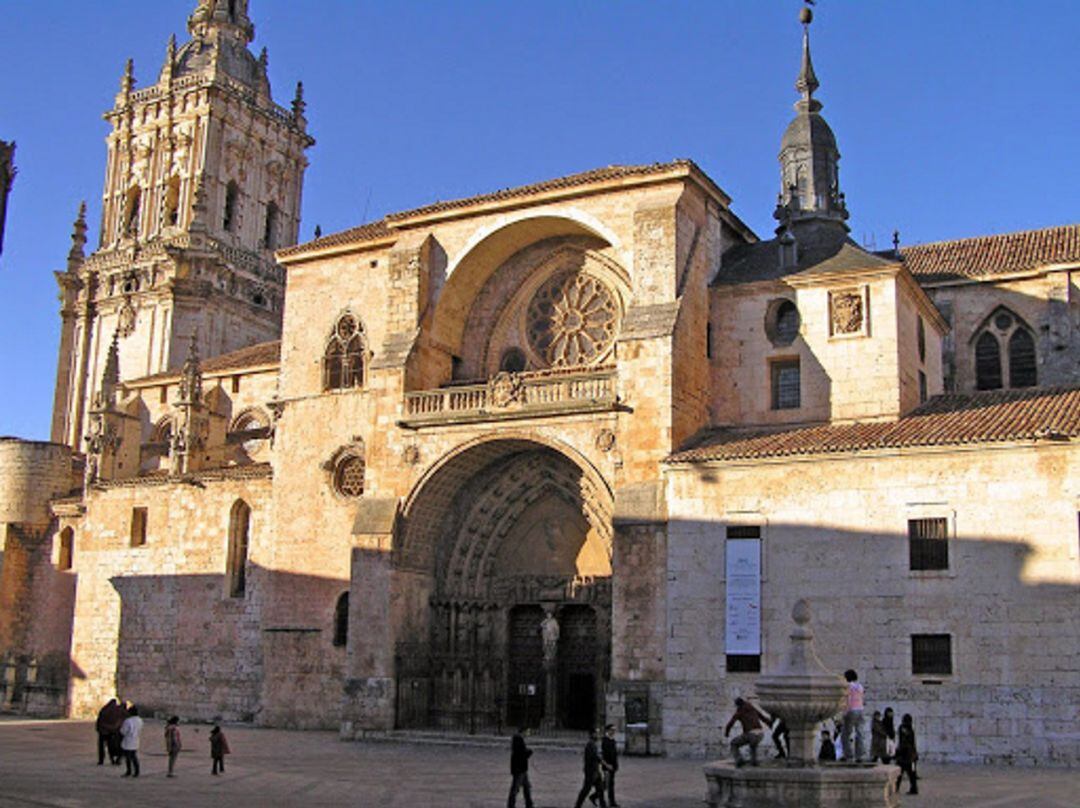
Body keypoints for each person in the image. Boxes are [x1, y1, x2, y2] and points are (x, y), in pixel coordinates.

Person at [723, 698, 765, 767]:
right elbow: (762, 717)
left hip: (751, 734)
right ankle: (754, 762)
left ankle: (739, 760)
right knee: (753, 746)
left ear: (738, 705)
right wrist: (771, 724)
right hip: (760, 734)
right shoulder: (752, 707)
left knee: (734, 743)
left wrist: (727, 733)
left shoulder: (739, 711)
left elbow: (730, 724)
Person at [572, 729, 609, 808]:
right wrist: (604, 763)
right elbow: (596, 757)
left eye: (598, 733)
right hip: (591, 771)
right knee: (586, 789)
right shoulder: (590, 744)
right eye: (596, 733)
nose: (598, 735)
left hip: (596, 771)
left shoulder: (593, 744)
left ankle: (603, 805)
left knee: (600, 789)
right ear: (592, 734)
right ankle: (578, 805)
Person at [841, 669, 865, 761]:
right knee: (859, 733)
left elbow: (848, 700)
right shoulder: (860, 687)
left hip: (851, 711)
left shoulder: (849, 687)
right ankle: (860, 755)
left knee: (845, 734)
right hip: (860, 710)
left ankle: (848, 754)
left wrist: (845, 712)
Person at [507, 727, 534, 808]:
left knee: (526, 788)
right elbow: (520, 754)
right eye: (527, 732)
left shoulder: (518, 739)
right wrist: (528, 753)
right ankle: (511, 805)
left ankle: (529, 804)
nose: (527, 735)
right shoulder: (518, 740)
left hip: (521, 769)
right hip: (519, 769)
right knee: (515, 789)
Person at [95, 698, 126, 765]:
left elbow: (99, 721)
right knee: (111, 746)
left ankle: (101, 760)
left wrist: (99, 729)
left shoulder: (104, 710)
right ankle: (114, 760)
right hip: (111, 732)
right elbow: (120, 722)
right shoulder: (118, 712)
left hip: (103, 731)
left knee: (102, 746)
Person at [895, 714, 919, 795]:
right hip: (910, 755)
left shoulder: (905, 728)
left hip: (905, 756)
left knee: (902, 773)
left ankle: (897, 788)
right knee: (910, 773)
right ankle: (913, 788)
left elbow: (905, 742)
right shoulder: (908, 729)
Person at [119, 704, 143, 778]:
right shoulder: (139, 720)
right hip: (135, 740)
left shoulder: (128, 721)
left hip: (128, 740)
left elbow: (123, 731)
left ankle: (129, 771)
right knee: (134, 756)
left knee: (128, 757)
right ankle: (137, 771)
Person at [601, 724, 619, 807]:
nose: (613, 731)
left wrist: (616, 765)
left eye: (614, 730)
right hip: (607, 766)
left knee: (609, 784)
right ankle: (610, 801)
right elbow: (604, 755)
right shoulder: (605, 740)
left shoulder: (613, 740)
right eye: (612, 730)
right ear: (608, 730)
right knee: (607, 784)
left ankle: (611, 801)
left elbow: (614, 754)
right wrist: (607, 765)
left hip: (613, 766)